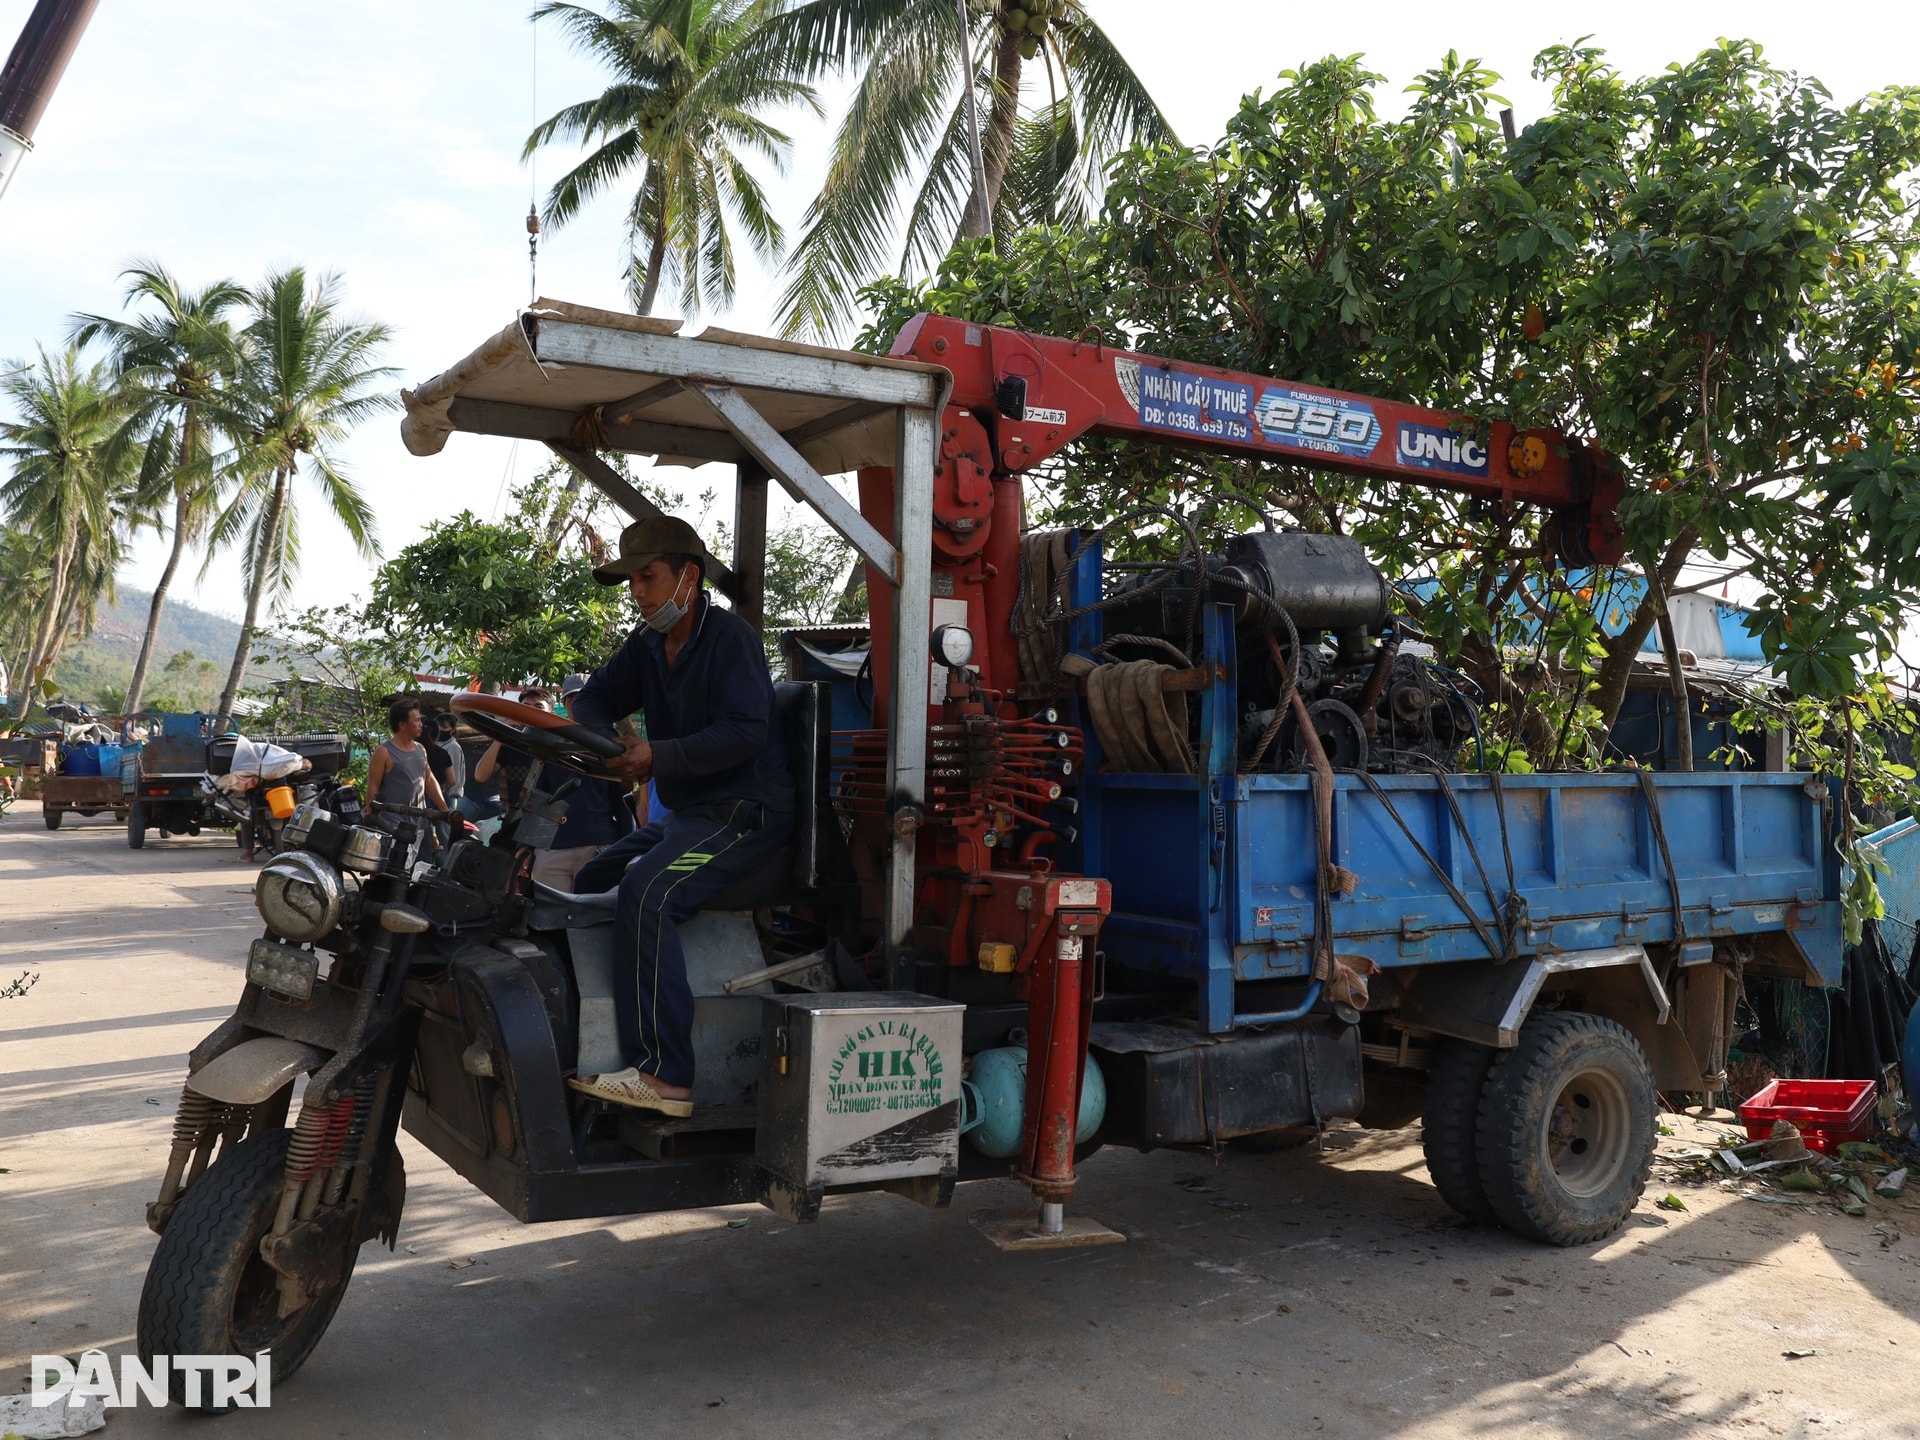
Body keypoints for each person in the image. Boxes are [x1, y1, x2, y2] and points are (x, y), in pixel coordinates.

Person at [566, 516, 794, 1117]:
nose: (638, 593)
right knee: (587, 880)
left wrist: (657, 755)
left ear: (688, 576)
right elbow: (593, 696)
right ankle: (585, 1033)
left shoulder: (730, 639)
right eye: (632, 582)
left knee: (648, 892)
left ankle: (665, 1076)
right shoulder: (645, 646)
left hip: (745, 813)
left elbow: (747, 732)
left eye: (648, 577)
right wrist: (598, 739)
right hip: (690, 815)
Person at [523, 674, 635, 890]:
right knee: (546, 917)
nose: (581, 705)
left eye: (586, 698)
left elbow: (622, 803)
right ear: (565, 703)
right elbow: (539, 796)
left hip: (598, 847)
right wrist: (526, 846)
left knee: (593, 917)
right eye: (573, 699)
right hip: (553, 849)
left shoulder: (611, 746)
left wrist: (626, 849)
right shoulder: (549, 742)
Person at [366, 699, 447, 864]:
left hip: (420, 824)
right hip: (392, 826)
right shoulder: (384, 752)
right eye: (416, 720)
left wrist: (445, 811)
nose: (421, 724)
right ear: (402, 724)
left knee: (421, 874)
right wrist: (372, 822)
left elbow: (429, 780)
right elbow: (373, 787)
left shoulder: (420, 749)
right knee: (391, 874)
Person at [428, 713, 466, 851]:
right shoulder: (438, 745)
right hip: (440, 793)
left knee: (444, 834)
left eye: (444, 727)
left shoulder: (453, 748)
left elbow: (452, 780)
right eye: (439, 726)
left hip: (449, 795)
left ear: (452, 730)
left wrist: (438, 791)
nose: (440, 729)